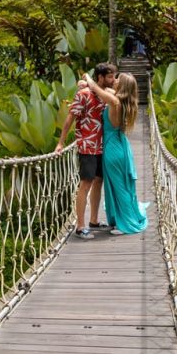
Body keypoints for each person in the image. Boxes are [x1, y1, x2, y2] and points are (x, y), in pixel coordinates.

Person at [55, 63, 117, 239]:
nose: (113, 80)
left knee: (98, 181)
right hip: (87, 145)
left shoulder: (105, 96)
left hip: (103, 146)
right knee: (86, 183)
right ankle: (80, 226)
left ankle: (94, 220)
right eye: (110, 77)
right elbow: (70, 118)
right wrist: (61, 142)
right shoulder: (83, 95)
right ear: (100, 77)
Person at [83, 71, 148, 235]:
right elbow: (99, 90)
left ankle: (124, 224)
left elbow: (96, 88)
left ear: (123, 85)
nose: (115, 80)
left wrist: (87, 78)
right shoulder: (119, 99)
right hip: (120, 146)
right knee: (119, 185)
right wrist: (84, 85)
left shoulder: (114, 101)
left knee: (119, 187)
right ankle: (119, 219)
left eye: (119, 79)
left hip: (112, 149)